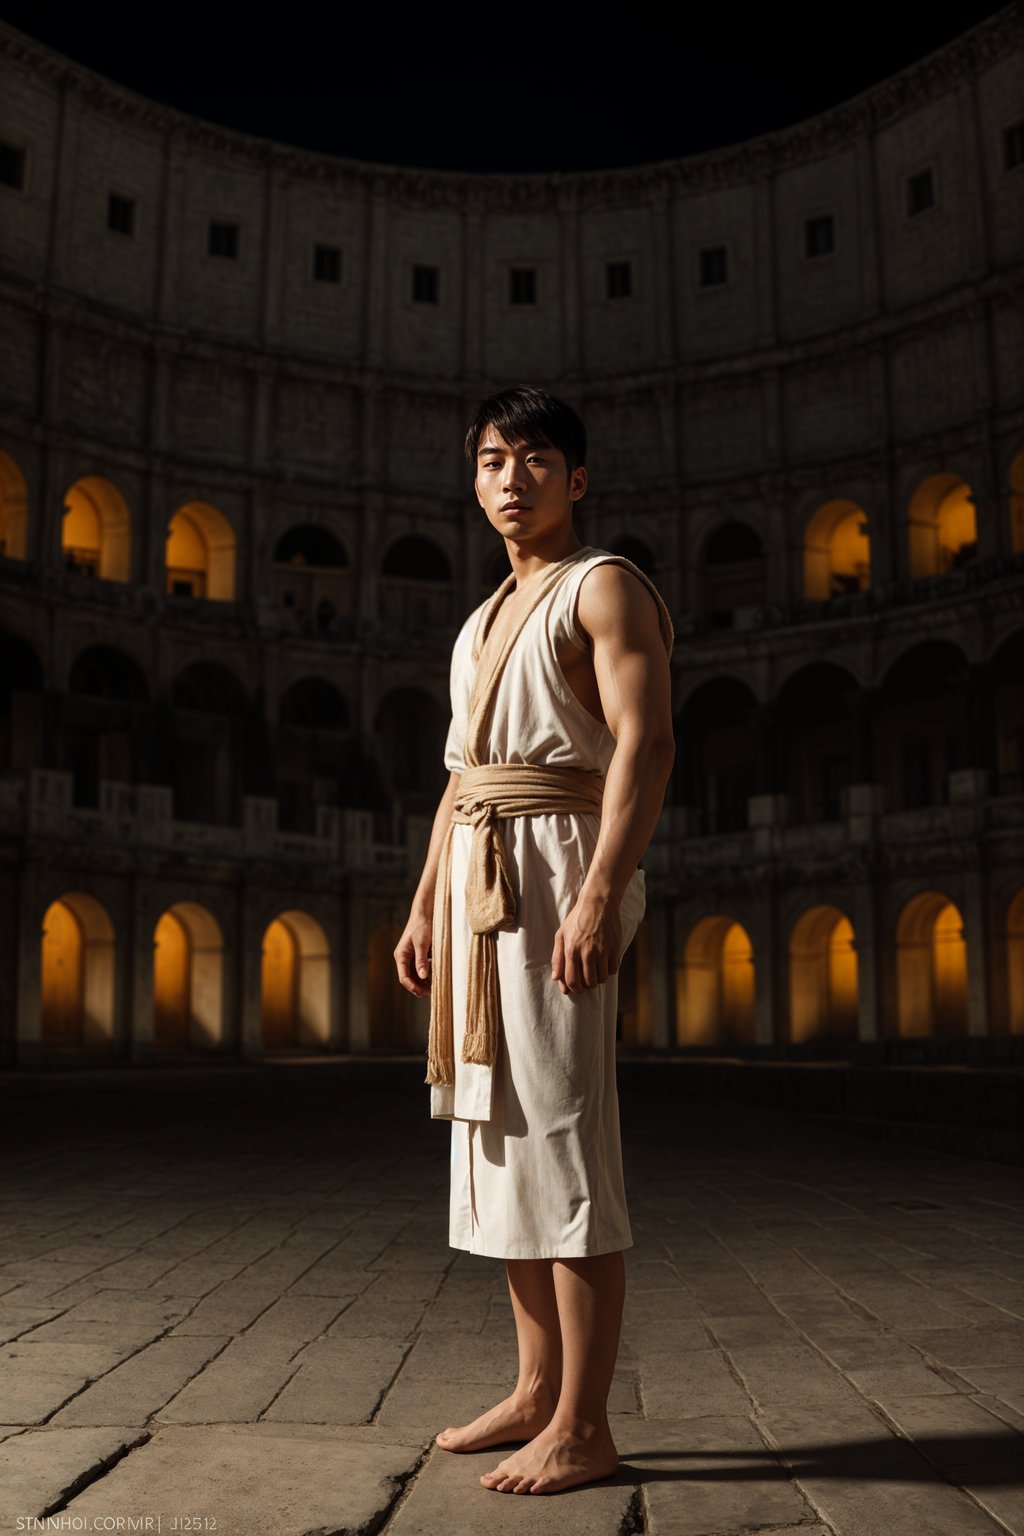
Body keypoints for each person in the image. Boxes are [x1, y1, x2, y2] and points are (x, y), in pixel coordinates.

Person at [393, 386, 675, 1496]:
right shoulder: (479, 621)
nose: (511, 480)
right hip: (476, 875)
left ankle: (586, 1425)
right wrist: (422, 901)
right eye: (492, 461)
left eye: (536, 459)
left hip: (558, 866)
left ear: (578, 478)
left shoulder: (599, 587)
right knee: (496, 1134)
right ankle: (533, 1388)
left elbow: (645, 745)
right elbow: (461, 776)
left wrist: (603, 891)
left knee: (559, 1136)